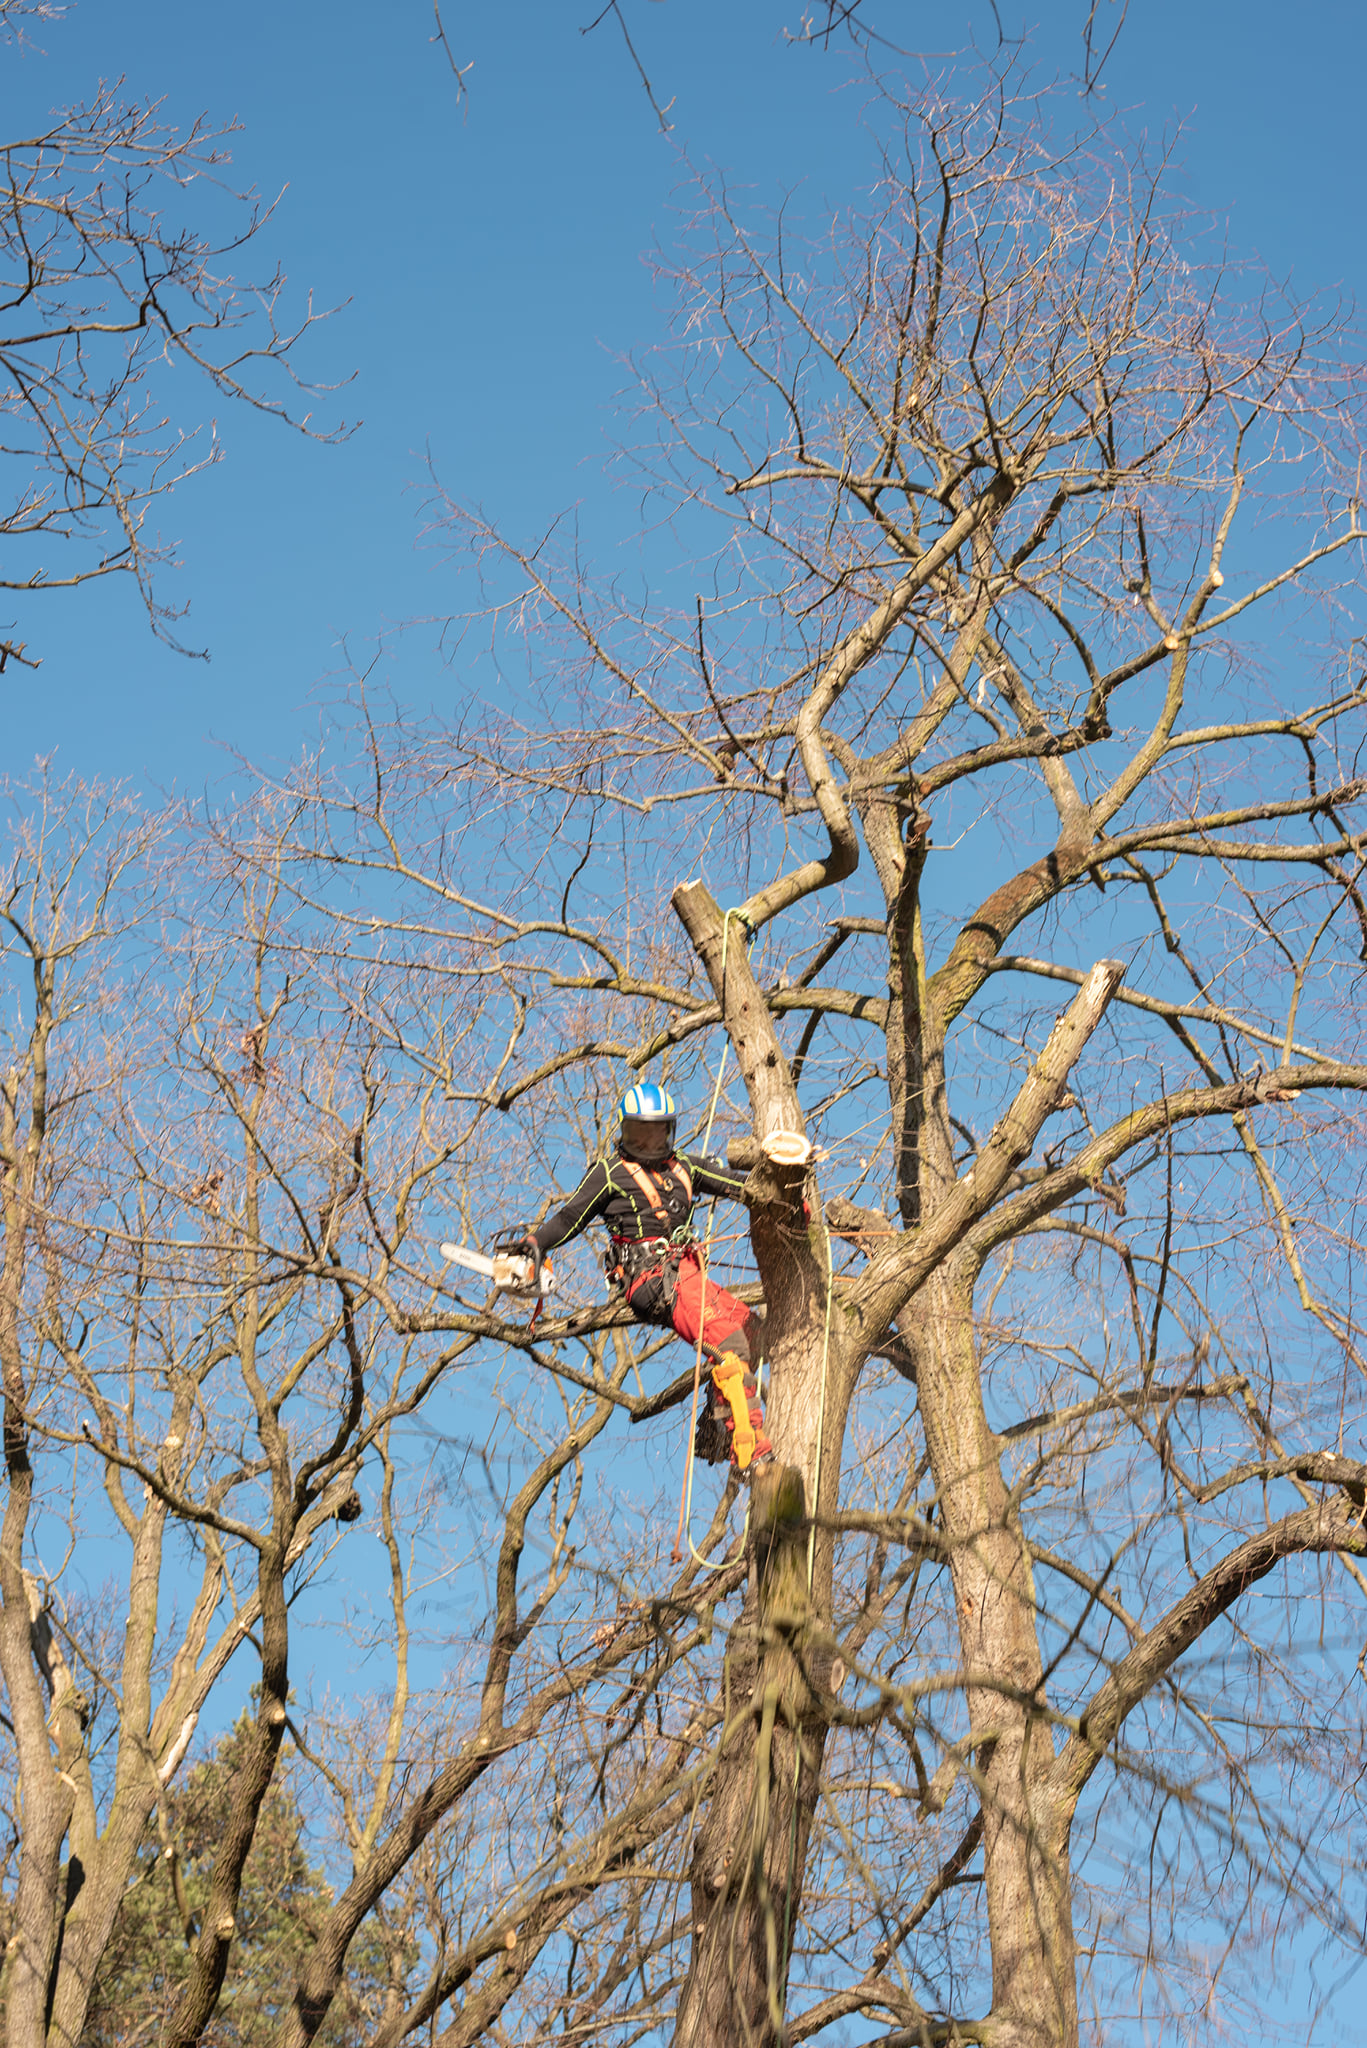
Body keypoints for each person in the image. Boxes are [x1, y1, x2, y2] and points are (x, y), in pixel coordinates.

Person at [520, 1084, 772, 1472]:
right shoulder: (610, 1173)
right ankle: (751, 1449)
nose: (649, 1141)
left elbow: (739, 1186)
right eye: (640, 1133)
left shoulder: (686, 1167)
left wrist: (782, 1194)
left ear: (669, 1131)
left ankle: (717, 1429)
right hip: (651, 1278)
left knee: (756, 1334)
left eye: (656, 1133)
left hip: (688, 1273)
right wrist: (537, 1242)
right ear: (625, 1132)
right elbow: (571, 1217)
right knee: (729, 1342)